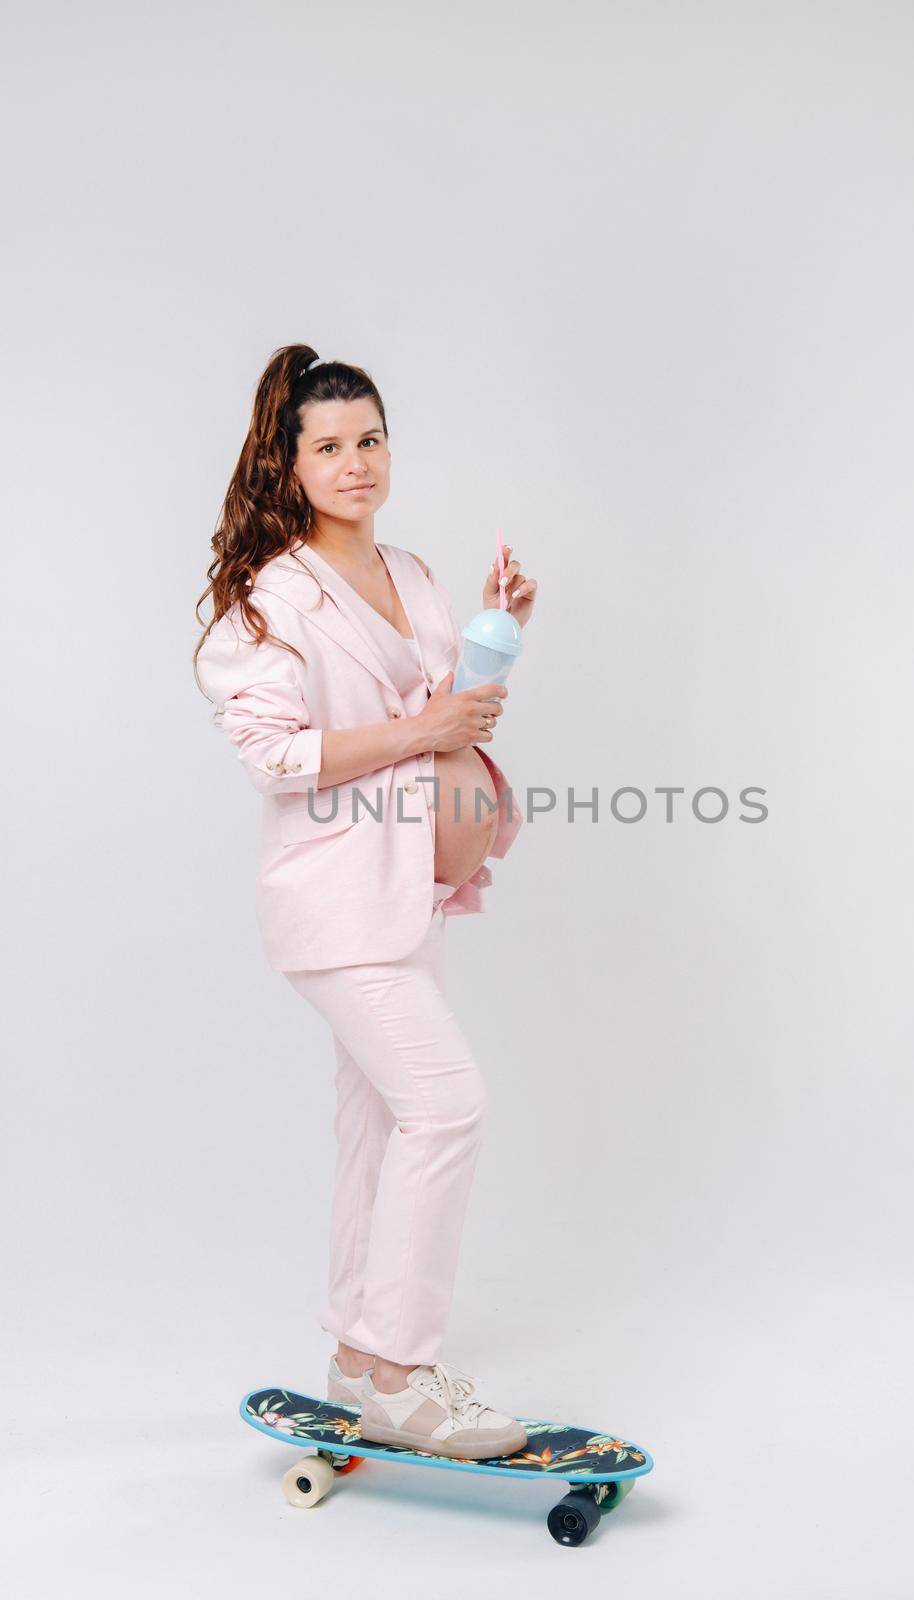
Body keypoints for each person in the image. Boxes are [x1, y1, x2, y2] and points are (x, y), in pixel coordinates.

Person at [193, 344, 538, 1459]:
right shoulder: (269, 599)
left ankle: (352, 1344)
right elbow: (278, 753)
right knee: (448, 1106)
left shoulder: (420, 575)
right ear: (288, 464)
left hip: (413, 897)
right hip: (336, 906)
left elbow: (449, 720)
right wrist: (424, 730)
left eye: (370, 439)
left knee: (383, 1123)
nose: (356, 463)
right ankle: (399, 1371)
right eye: (330, 446)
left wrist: (495, 635)